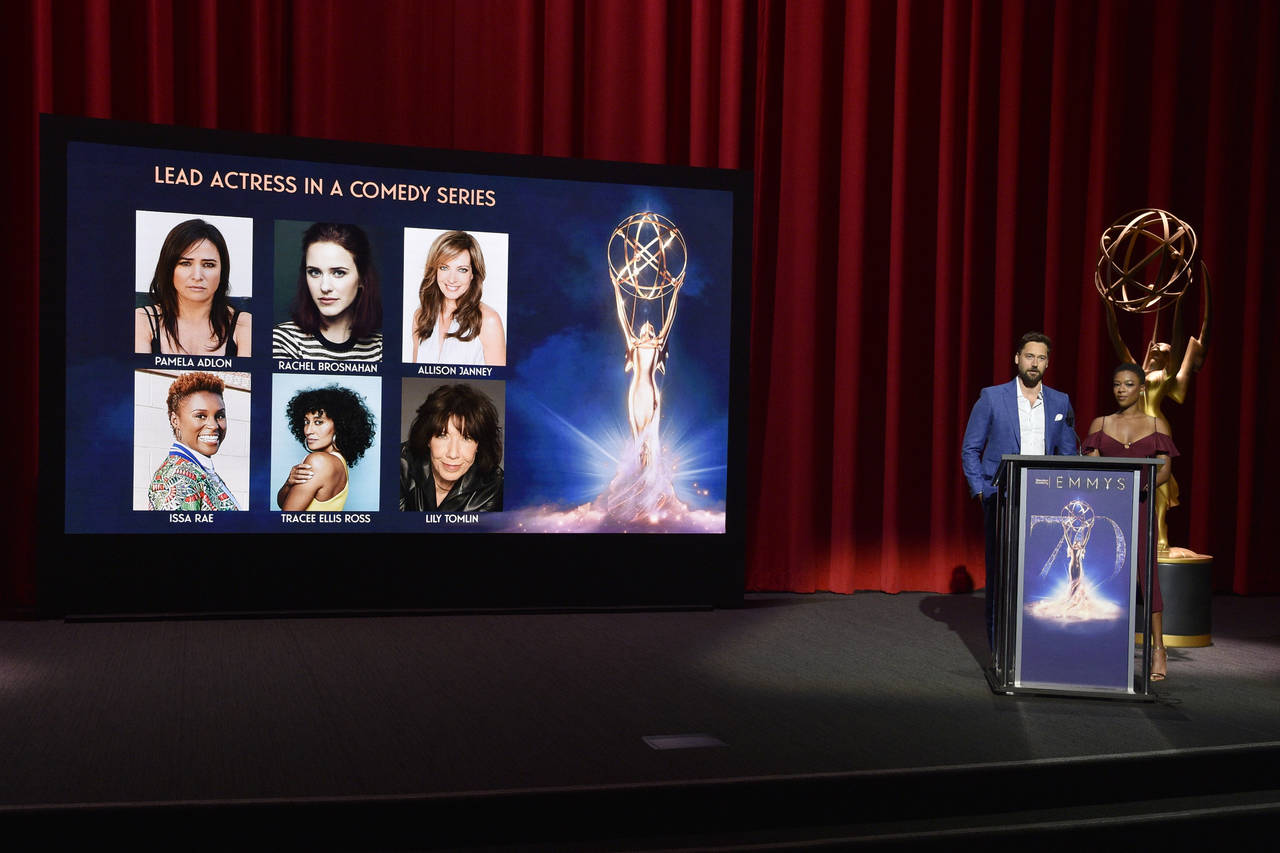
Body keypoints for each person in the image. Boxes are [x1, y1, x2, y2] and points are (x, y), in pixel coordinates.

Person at [961, 331, 1079, 648]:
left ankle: (1034, 647)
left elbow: (1068, 453)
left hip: (1045, 503)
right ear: (1017, 358)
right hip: (1002, 499)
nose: (1034, 363)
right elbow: (970, 448)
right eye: (1029, 356)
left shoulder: (1060, 401)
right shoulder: (992, 397)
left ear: (1048, 363)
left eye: (1041, 358)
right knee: (1001, 576)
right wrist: (981, 490)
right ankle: (999, 650)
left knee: (1041, 575)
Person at [1082, 363, 1177, 680]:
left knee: (1147, 577)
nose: (1121, 389)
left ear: (1142, 389)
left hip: (1141, 508)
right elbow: (1091, 467)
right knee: (1103, 575)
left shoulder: (1156, 425)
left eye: (1128, 384)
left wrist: (1141, 487)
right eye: (1116, 384)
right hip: (1107, 513)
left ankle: (1158, 649)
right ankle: (1102, 647)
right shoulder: (1101, 423)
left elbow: (1164, 470)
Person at [135, 219, 252, 356]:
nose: (197, 276)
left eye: (208, 265)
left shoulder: (245, 324)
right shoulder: (141, 320)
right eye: (185, 263)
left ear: (222, 271)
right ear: (169, 268)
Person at [273, 223, 384, 361]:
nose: (324, 287)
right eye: (314, 272)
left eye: (338, 273)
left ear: (362, 278)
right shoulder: (284, 341)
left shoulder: (381, 349)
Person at [399, 384, 504, 512]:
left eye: (467, 438)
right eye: (442, 436)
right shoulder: (400, 464)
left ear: (479, 444)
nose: (453, 454)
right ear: (427, 439)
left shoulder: (494, 486)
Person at [409, 231, 506, 365]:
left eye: (462, 269)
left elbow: (499, 377)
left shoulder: (488, 321)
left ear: (473, 274)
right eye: (444, 267)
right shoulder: (421, 316)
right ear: (435, 271)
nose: (452, 279)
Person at [148, 372, 242, 510]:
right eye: (200, 416)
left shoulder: (200, 470)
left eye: (220, 416)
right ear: (175, 420)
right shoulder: (177, 478)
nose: (214, 425)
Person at [276, 385, 377, 511]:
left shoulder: (319, 462)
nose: (308, 430)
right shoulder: (338, 462)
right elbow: (282, 503)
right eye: (306, 422)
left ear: (339, 425)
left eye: (318, 422)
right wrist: (288, 483)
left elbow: (286, 517)